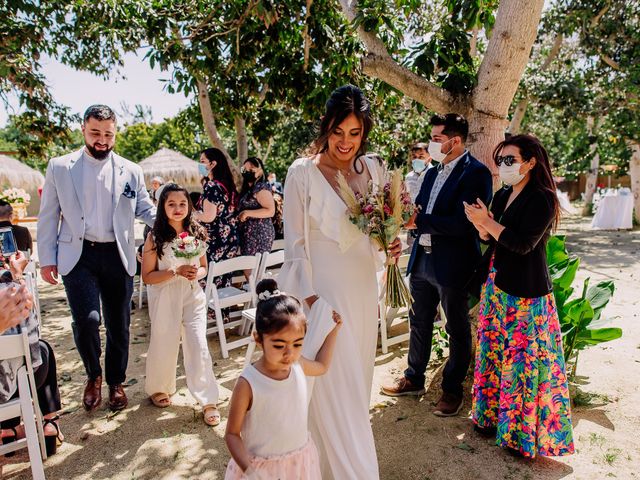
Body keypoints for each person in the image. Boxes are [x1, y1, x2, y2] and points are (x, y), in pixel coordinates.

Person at [279, 84, 402, 479]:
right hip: (324, 299)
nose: (345, 142)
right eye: (338, 131)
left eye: (354, 133)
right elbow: (295, 246)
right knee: (333, 387)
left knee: (356, 388)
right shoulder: (302, 174)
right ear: (326, 128)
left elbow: (375, 239)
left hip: (365, 294)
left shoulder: (375, 170)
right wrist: (312, 305)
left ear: (364, 132)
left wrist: (390, 246)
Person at [37, 104, 156, 412]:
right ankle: (94, 375)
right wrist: (47, 258)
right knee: (88, 321)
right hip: (79, 256)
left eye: (108, 134)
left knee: (120, 323)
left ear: (115, 134)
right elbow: (49, 215)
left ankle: (116, 381)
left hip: (118, 254)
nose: (102, 140)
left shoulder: (131, 170)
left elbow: (145, 208)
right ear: (83, 130)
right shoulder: (60, 167)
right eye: (95, 133)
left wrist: (176, 223)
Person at [463, 134, 574, 458]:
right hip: (497, 288)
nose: (503, 166)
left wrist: (488, 223)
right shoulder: (502, 194)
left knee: (522, 365)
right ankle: (488, 419)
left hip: (527, 295)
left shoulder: (543, 198)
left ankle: (518, 435)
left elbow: (523, 244)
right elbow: (493, 239)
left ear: (530, 162)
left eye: (510, 160)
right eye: (500, 160)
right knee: (494, 354)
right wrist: (481, 225)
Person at [382, 113, 493, 418]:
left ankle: (452, 390)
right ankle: (414, 378)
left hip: (453, 264)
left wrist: (422, 221)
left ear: (455, 141)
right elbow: (420, 210)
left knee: (456, 328)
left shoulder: (477, 174)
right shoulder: (430, 173)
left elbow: (466, 224)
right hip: (421, 259)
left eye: (436, 139)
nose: (431, 144)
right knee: (418, 322)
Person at [224, 279, 341, 479]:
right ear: (258, 339)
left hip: (299, 463)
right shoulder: (248, 383)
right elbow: (232, 434)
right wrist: (252, 472)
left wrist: (334, 330)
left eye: (297, 344)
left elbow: (321, 366)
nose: (289, 353)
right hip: (262, 471)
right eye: (279, 345)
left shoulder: (297, 365)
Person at [141, 184, 221, 426]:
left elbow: (205, 266)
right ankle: (159, 387)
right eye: (171, 204)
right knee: (163, 341)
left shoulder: (197, 232)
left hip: (192, 294)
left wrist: (197, 273)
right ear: (162, 207)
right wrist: (175, 271)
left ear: (190, 206)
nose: (177, 209)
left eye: (182, 204)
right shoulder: (154, 237)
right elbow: (147, 276)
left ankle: (208, 400)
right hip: (164, 295)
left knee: (197, 342)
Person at [0, 252, 63, 456]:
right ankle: (49, 423)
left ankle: (8, 430)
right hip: (9, 390)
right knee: (41, 351)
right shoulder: (7, 293)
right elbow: (33, 344)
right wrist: (17, 276)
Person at [194, 148, 241, 288]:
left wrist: (193, 215)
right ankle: (221, 310)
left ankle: (209, 310)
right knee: (223, 281)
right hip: (230, 239)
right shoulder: (227, 185)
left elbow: (208, 217)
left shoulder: (212, 186)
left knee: (208, 282)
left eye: (203, 161)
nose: (200, 164)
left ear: (213, 164)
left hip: (215, 240)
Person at [238, 157, 276, 257]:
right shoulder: (248, 189)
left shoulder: (261, 187)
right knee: (250, 270)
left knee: (253, 269)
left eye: (252, 168)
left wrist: (247, 213)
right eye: (245, 169)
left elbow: (270, 211)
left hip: (259, 234)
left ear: (260, 171)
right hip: (247, 235)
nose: (247, 171)